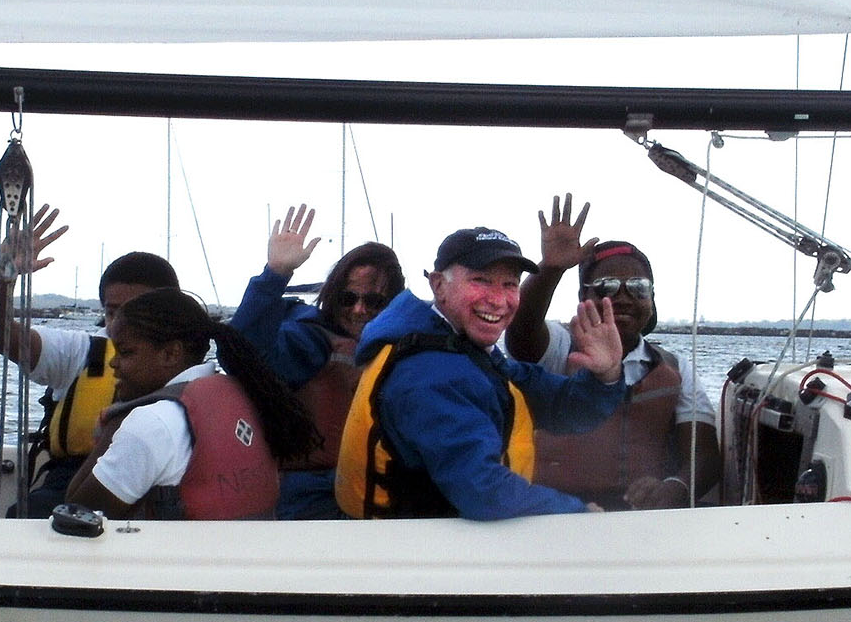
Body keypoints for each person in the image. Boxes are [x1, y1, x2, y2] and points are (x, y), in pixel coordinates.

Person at [335, 226, 630, 520]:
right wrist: (578, 514)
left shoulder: (461, 349)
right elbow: (483, 491)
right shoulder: (429, 374)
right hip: (417, 551)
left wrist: (606, 375)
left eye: (510, 284)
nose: (498, 299)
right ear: (439, 286)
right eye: (481, 280)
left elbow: (562, 406)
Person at [505, 195, 722, 510]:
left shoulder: (675, 367)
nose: (622, 298)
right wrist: (550, 269)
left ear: (652, 298)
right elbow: (521, 336)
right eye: (606, 287)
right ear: (583, 296)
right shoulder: (559, 346)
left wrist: (674, 488)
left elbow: (703, 456)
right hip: (552, 514)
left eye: (638, 288)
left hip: (638, 519)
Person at [0, 203, 180, 516]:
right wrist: (7, 269)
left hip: (162, 485)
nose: (120, 324)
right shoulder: (80, 352)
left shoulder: (191, 365)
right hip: (74, 478)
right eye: (112, 312)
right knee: (30, 514)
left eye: (136, 311)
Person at [66, 289, 319, 519]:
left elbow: (77, 513)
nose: (114, 363)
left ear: (171, 353)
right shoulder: (247, 394)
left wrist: (116, 422)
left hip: (177, 567)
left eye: (126, 352)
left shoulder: (152, 423)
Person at [230, 203, 407, 517]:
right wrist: (276, 274)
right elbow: (244, 353)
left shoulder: (405, 351)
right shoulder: (311, 340)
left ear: (393, 303)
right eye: (348, 298)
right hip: (313, 498)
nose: (358, 309)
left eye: (374, 301)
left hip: (384, 492)